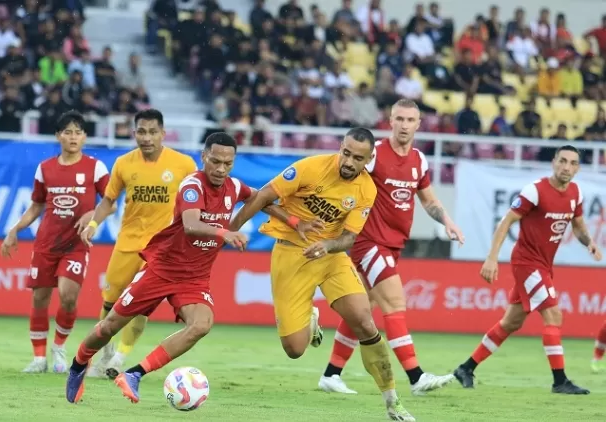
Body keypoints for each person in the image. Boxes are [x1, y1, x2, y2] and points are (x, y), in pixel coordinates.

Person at [65, 133, 309, 404]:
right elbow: (192, 225)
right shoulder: (192, 185)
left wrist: (296, 222)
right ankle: (78, 364)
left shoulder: (234, 187)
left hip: (194, 278)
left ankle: (134, 374)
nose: (220, 168)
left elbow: (262, 199)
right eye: (215, 161)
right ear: (203, 157)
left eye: (227, 163)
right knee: (110, 325)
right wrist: (224, 232)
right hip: (162, 269)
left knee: (202, 325)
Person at [230, 127, 415, 422]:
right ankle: (310, 320)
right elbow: (263, 196)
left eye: (358, 158)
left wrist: (328, 245)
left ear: (368, 159)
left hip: (330, 257)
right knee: (295, 349)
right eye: (346, 153)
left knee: (365, 322)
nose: (349, 162)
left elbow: (349, 237)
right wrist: (232, 228)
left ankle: (393, 402)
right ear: (340, 148)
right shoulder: (310, 167)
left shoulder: (366, 189)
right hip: (291, 254)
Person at [318, 99, 464, 396]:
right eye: (399, 119)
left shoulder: (419, 160)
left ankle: (331, 374)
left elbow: (428, 199)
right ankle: (416, 377)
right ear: (390, 121)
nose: (404, 125)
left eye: (410, 120)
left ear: (418, 124)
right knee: (395, 305)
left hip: (393, 244)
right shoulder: (373, 156)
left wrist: (446, 220)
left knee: (361, 312)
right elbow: (345, 176)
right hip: (370, 243)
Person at [453, 145, 601, 394]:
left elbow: (577, 226)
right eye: (562, 161)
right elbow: (506, 222)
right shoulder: (535, 190)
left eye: (572, 163)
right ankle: (560, 381)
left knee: (511, 322)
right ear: (554, 162)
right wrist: (491, 258)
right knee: (554, 316)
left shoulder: (575, 192)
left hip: (543, 265)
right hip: (526, 263)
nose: (566, 167)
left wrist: (590, 243)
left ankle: (466, 368)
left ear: (578, 168)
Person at [77, 109, 198, 379]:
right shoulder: (123, 163)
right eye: (141, 132)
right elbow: (108, 201)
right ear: (134, 134)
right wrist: (93, 224)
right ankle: (105, 352)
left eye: (152, 132)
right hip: (128, 242)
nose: (147, 137)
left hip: (161, 249)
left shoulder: (184, 165)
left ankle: (118, 358)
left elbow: (196, 199)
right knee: (110, 302)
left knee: (142, 304)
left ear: (163, 134)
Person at [0, 111, 109, 374]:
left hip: (76, 244)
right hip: (46, 243)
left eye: (78, 132)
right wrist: (14, 229)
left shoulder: (95, 167)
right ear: (58, 136)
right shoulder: (45, 168)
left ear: (85, 137)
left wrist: (91, 215)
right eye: (68, 132)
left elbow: (110, 204)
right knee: (39, 299)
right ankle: (39, 359)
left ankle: (59, 348)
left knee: (68, 296)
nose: (73, 137)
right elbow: (36, 206)